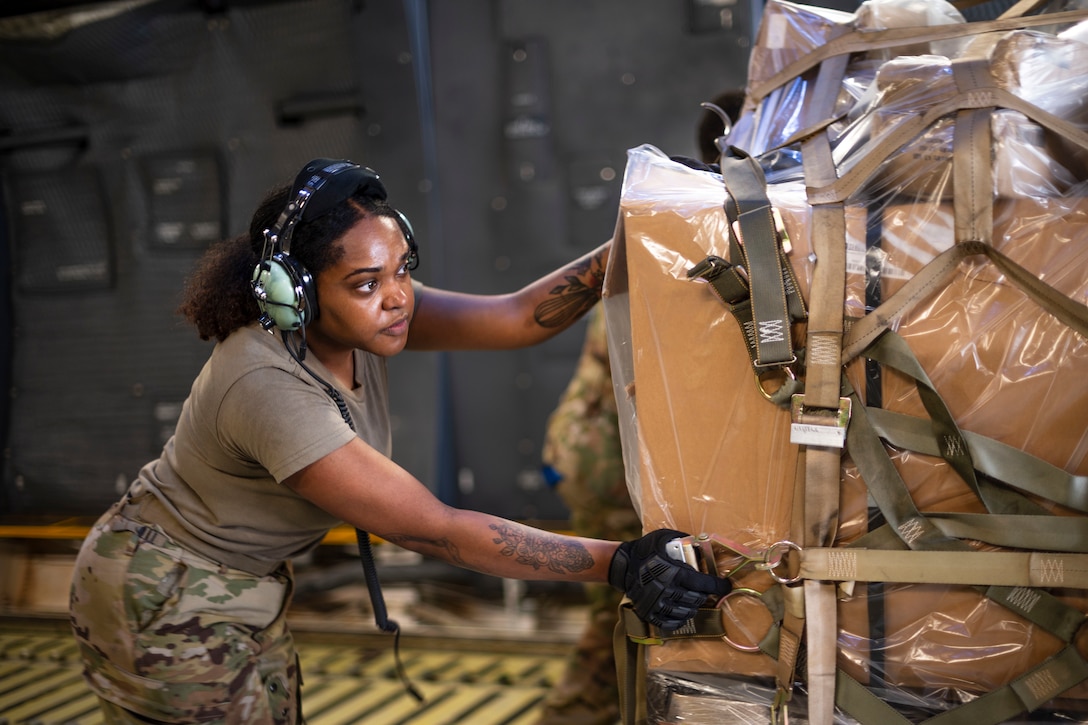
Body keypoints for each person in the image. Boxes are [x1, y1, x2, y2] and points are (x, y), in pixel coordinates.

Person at [67, 158, 729, 725]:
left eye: (402, 270)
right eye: (366, 283)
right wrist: (622, 562)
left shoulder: (373, 315)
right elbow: (434, 528)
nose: (397, 298)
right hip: (163, 590)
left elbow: (515, 317)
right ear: (294, 294)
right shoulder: (265, 384)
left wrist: (635, 240)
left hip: (242, 585)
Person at [533, 89, 747, 725]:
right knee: (627, 610)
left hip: (587, 446)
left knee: (627, 612)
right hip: (604, 456)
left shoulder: (700, 229)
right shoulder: (693, 238)